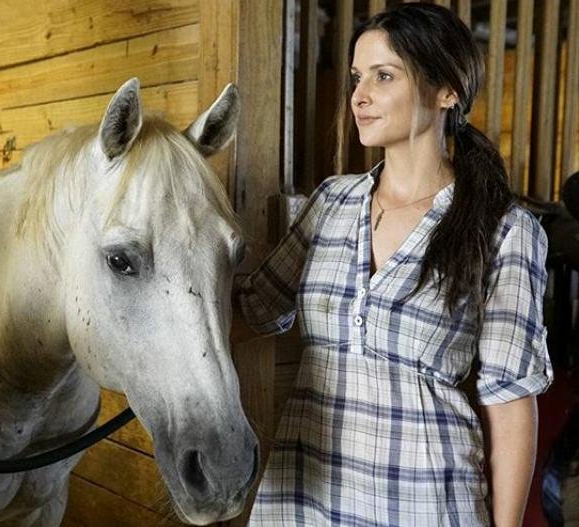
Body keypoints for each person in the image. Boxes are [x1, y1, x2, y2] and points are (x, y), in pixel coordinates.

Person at [235, 3, 553, 526]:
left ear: (447, 90)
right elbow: (252, 310)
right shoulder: (331, 204)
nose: (359, 96)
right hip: (302, 499)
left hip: (424, 504)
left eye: (384, 77)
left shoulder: (505, 230)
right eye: (358, 77)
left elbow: (511, 403)